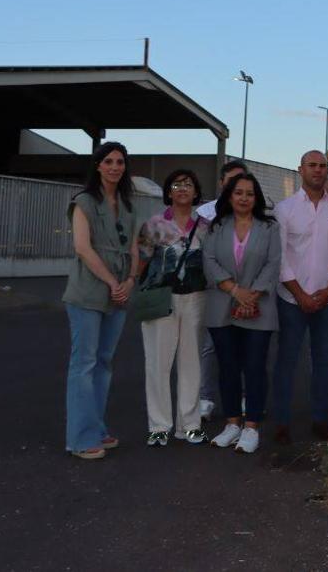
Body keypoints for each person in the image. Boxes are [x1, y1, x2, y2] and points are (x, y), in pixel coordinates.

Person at [64, 142, 142, 459]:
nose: (114, 166)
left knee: (104, 363)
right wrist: (112, 282)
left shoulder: (127, 204)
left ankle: (96, 428)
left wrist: (129, 281)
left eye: (120, 162)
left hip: (119, 293)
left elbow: (135, 249)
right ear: (98, 165)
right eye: (108, 161)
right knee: (84, 364)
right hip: (89, 291)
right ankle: (80, 438)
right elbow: (83, 247)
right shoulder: (83, 202)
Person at [272, 151, 328, 444]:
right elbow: (280, 258)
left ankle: (320, 419)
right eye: (312, 166)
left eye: (322, 166)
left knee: (324, 361)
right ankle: (281, 421)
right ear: (301, 169)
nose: (318, 171)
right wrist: (301, 294)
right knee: (286, 361)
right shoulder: (284, 209)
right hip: (291, 299)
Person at [202, 173, 282, 454]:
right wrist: (235, 291)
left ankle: (251, 427)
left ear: (256, 197)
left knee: (255, 368)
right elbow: (208, 261)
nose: (244, 198)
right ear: (229, 196)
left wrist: (252, 295)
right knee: (228, 368)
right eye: (239, 193)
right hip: (222, 306)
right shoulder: (216, 226)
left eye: (249, 193)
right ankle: (232, 423)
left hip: (259, 307)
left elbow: (273, 264)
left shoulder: (269, 227)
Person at [137, 168, 209, 447]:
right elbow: (141, 261)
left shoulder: (204, 226)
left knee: (191, 362)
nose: (182, 189)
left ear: (195, 192)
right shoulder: (154, 224)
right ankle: (159, 426)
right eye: (176, 184)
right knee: (157, 362)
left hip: (195, 297)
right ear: (168, 191)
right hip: (161, 298)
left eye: (188, 184)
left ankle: (189, 425)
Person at [195, 159, 247, 421]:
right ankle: (205, 398)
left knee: (246, 345)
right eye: (231, 182)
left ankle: (243, 397)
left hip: (246, 290)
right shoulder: (204, 214)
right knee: (211, 346)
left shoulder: (253, 212)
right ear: (221, 183)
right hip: (215, 289)